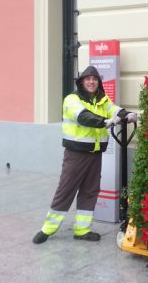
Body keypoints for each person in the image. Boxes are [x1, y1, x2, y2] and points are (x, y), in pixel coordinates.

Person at [32, 65, 137, 244]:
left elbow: (114, 110)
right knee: (66, 189)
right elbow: (83, 117)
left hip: (95, 153)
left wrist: (128, 114)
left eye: (95, 79)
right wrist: (104, 122)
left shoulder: (102, 99)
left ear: (98, 82)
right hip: (76, 154)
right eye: (87, 79)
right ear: (81, 82)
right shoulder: (72, 99)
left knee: (90, 190)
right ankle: (48, 228)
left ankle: (82, 229)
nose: (91, 82)